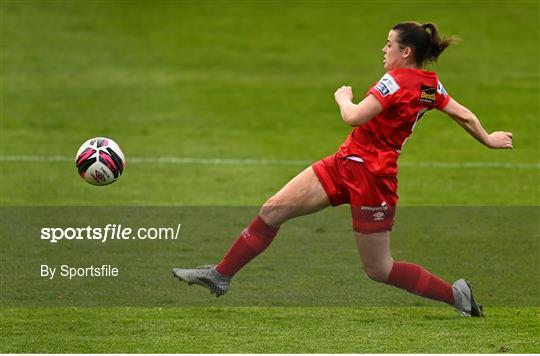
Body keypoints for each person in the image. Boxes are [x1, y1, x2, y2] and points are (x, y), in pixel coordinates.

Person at [172, 22, 513, 317]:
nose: (384, 49)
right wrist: (488, 139)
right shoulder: (430, 85)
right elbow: (463, 114)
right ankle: (220, 275)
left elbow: (353, 116)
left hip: (374, 180)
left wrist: (342, 97)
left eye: (389, 44)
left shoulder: (393, 82)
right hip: (344, 162)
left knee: (379, 269)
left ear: (406, 51)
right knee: (273, 209)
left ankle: (457, 296)